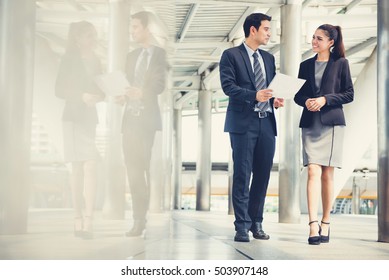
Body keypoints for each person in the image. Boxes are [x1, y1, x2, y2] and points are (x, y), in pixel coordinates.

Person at [219, 13, 284, 242]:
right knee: (242, 174)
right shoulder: (231, 55)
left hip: (266, 122)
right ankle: (241, 226)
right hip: (243, 123)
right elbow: (228, 87)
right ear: (253, 30)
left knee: (263, 175)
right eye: (266, 29)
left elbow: (271, 87)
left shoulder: (268, 58)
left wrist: (275, 99)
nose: (270, 33)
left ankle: (257, 223)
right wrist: (255, 95)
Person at [294, 24, 354, 245]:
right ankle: (312, 224)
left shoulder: (341, 64)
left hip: (332, 124)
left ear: (330, 42)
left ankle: (326, 221)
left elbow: (349, 94)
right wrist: (307, 101)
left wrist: (325, 100)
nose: (314, 41)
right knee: (312, 170)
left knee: (328, 174)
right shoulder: (305, 65)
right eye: (313, 37)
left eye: (319, 38)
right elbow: (298, 96)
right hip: (311, 124)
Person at [115, 11, 167, 237]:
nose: (132, 31)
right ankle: (138, 219)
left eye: (136, 27)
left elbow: (159, 84)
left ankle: (140, 218)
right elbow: (126, 82)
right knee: (132, 171)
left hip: (146, 120)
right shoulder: (131, 56)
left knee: (141, 169)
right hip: (129, 120)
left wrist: (142, 92)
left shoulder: (159, 55)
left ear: (147, 29)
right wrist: (122, 95)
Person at [55, 21, 105, 239]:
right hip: (73, 118)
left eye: (93, 35)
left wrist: (98, 96)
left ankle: (89, 219)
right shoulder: (68, 59)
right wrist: (82, 96)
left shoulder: (97, 61)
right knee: (77, 168)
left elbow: (101, 89)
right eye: (88, 35)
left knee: (91, 165)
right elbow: (58, 89)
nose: (93, 39)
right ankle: (78, 218)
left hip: (89, 118)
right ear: (77, 39)